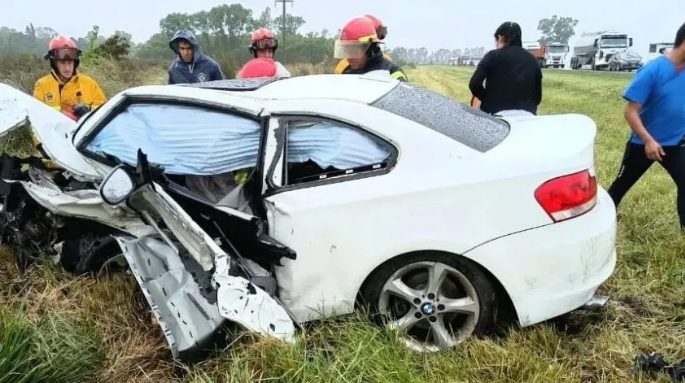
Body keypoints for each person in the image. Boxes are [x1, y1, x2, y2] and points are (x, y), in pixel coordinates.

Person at [607, 22, 685, 230]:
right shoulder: (653, 70)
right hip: (644, 144)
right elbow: (630, 111)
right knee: (620, 187)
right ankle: (602, 221)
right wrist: (649, 141)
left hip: (675, 143)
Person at [468, 22, 542, 115]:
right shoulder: (533, 60)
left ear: (500, 37)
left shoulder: (492, 56)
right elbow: (538, 98)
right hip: (527, 116)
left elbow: (474, 84)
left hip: (496, 116)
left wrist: (486, 99)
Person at [33, 35, 106, 121]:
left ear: (75, 62)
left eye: (70, 62)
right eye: (62, 63)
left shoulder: (88, 83)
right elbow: (36, 116)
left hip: (84, 132)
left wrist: (89, 109)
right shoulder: (42, 85)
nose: (67, 68)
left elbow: (106, 110)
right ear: (54, 63)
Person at [334, 16, 407, 81]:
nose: (348, 58)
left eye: (353, 50)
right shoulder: (345, 72)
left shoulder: (392, 74)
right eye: (346, 51)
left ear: (370, 49)